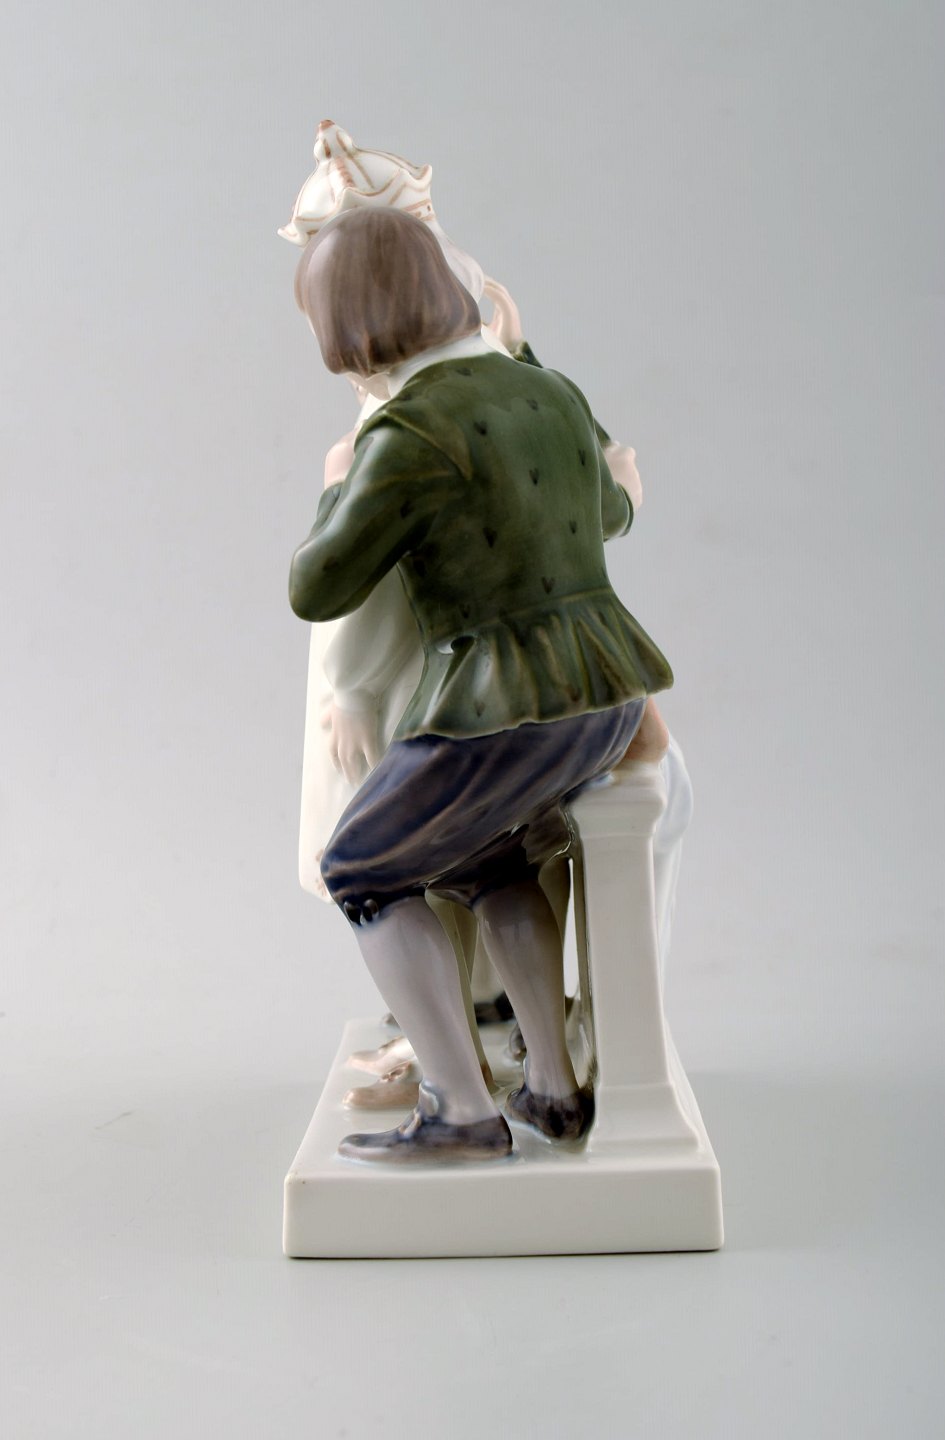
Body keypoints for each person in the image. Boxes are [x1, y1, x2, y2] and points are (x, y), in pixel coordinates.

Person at [288, 207, 673, 1163]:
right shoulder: (546, 387)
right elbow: (611, 511)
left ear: (350, 321)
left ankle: (461, 1111)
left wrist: (339, 476)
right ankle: (552, 1089)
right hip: (607, 693)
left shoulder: (406, 432)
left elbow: (317, 587)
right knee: (487, 860)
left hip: (501, 710)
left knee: (361, 869)